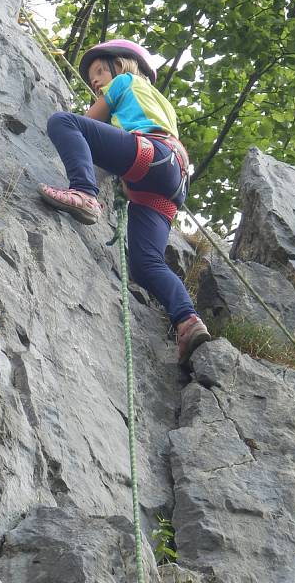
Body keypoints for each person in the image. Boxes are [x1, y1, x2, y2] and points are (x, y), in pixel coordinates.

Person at [38, 38, 211, 365]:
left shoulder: (124, 82)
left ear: (122, 66)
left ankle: (84, 194)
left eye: (101, 71)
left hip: (151, 155)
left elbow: (89, 122)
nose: (98, 81)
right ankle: (187, 321)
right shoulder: (160, 102)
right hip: (170, 179)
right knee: (146, 264)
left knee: (63, 122)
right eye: (93, 79)